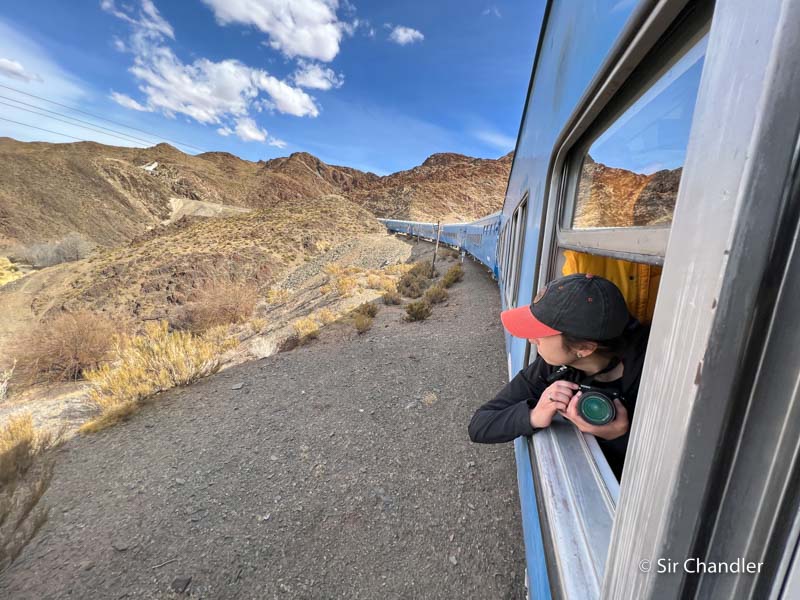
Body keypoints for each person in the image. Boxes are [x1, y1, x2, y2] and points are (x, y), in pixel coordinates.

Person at [468, 273, 650, 480]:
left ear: (584, 348)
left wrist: (618, 437)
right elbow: (480, 424)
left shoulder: (653, 377)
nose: (531, 340)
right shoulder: (553, 367)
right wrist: (534, 415)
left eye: (541, 334)